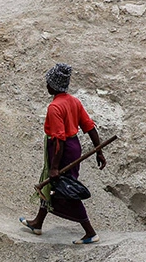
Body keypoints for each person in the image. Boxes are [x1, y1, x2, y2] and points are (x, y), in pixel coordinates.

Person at [19, 63, 106, 244]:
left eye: (48, 83)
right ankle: (38, 223)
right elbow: (90, 127)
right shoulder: (74, 101)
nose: (46, 86)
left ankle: (90, 232)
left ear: (54, 85)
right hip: (73, 148)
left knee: (64, 189)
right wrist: (99, 152)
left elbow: (59, 139)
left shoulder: (54, 108)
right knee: (52, 186)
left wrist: (55, 167)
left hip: (62, 151)